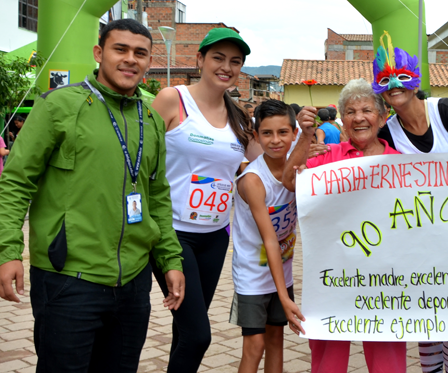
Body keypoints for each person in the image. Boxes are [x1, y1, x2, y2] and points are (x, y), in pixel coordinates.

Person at [0, 18, 184, 372]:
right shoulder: (58, 105)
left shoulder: (151, 120)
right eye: (119, 49)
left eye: (140, 53)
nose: (130, 59)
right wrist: (6, 251)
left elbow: (157, 196)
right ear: (99, 53)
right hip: (68, 278)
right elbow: (16, 182)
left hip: (133, 285)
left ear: (149, 62)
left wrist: (170, 260)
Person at [282, 78, 405, 373]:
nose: (359, 117)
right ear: (342, 120)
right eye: (350, 111)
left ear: (382, 117)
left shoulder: (403, 163)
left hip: (385, 277)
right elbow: (289, 182)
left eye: (367, 110)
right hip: (333, 275)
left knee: (388, 359)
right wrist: (303, 138)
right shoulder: (327, 157)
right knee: (328, 360)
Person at [373, 34, 448, 373]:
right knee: (427, 316)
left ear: (415, 79)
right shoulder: (387, 132)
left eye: (401, 76)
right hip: (416, 239)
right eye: (385, 79)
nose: (394, 84)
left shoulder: (444, 109)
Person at [151, 27, 253, 372]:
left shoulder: (240, 117)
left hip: (215, 236)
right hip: (172, 234)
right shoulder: (171, 99)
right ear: (200, 60)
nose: (227, 67)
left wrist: (303, 145)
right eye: (218, 58)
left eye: (235, 62)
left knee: (186, 330)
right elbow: (141, 161)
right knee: (198, 336)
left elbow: (261, 167)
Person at [232, 99, 304, 373]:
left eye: (283, 132)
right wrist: (286, 300)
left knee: (276, 340)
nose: (276, 140)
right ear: (256, 136)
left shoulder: (298, 170)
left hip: (281, 272)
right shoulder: (253, 180)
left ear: (294, 134)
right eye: (267, 133)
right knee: (255, 346)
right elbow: (270, 239)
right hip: (252, 276)